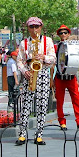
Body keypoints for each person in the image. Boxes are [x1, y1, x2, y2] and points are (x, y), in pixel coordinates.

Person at [15, 17, 56, 146]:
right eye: (31, 27)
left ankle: (39, 134)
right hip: (29, 74)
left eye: (36, 27)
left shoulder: (47, 41)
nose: (34, 29)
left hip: (43, 73)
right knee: (26, 105)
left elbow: (53, 58)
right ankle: (22, 134)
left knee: (42, 105)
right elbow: (19, 61)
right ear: (28, 28)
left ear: (41, 27)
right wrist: (24, 71)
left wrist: (43, 57)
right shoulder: (24, 43)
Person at [54, 24, 79, 130]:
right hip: (59, 77)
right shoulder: (56, 47)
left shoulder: (73, 45)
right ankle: (62, 121)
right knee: (60, 100)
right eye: (61, 33)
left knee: (76, 99)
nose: (63, 34)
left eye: (65, 32)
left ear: (69, 34)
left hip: (71, 77)